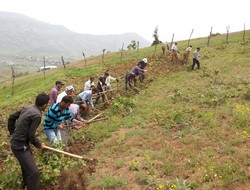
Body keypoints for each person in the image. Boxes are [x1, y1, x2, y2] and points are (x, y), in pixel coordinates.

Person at [9, 93, 50, 190]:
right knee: (34, 173)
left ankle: (26, 185)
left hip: (19, 143)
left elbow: (11, 117)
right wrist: (39, 144)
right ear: (44, 105)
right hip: (20, 146)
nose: (47, 106)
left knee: (26, 167)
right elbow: (31, 135)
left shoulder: (28, 108)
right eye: (47, 104)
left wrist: (12, 133)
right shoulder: (37, 115)